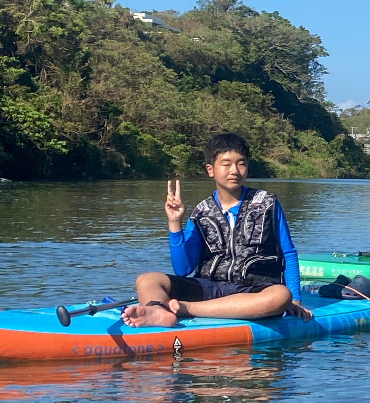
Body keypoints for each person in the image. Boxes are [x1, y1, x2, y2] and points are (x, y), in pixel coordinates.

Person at [121, 132, 311, 328]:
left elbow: (288, 253)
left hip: (255, 290)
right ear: (210, 169)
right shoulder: (201, 213)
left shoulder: (267, 203)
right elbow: (183, 269)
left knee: (281, 296)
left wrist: (295, 300)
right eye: (226, 164)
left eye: (241, 163)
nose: (235, 170)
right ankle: (159, 311)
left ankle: (185, 309)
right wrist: (174, 223)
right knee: (147, 280)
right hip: (210, 287)